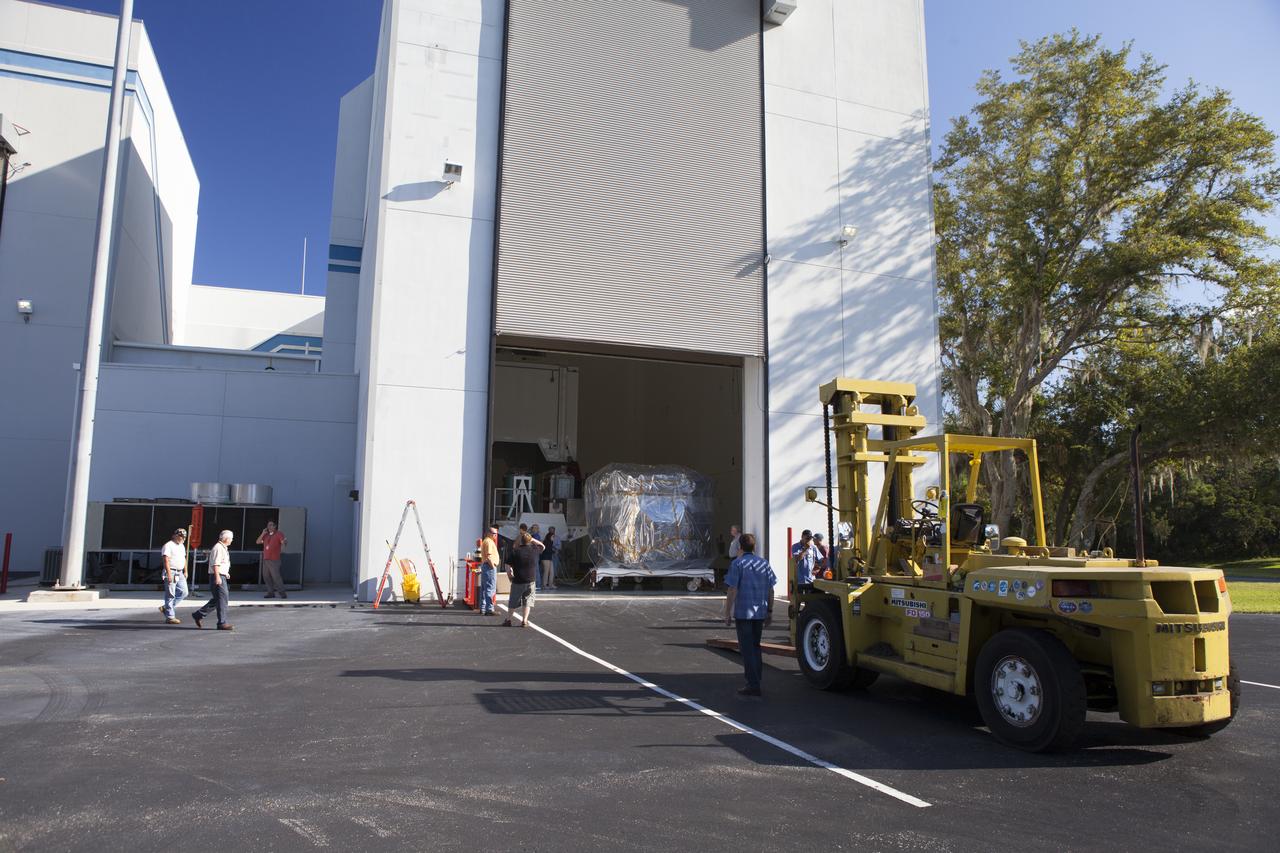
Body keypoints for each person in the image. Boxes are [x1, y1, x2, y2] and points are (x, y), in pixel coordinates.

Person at [723, 533, 775, 697]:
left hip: (743, 612)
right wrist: (770, 611)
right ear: (755, 546)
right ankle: (756, 679)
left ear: (740, 547)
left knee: (746, 649)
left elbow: (732, 589)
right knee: (755, 646)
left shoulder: (737, 564)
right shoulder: (764, 563)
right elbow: (771, 589)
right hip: (759, 612)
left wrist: (727, 612)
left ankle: (753, 684)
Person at [192, 529, 235, 631]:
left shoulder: (223, 548)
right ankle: (222, 623)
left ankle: (199, 614)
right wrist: (218, 576)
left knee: (218, 599)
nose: (232, 540)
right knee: (222, 599)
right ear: (226, 539)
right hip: (218, 576)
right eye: (231, 538)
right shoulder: (218, 548)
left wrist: (225, 573)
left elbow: (222, 564)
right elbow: (215, 564)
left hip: (221, 575)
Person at [503, 530, 544, 628]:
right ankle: (524, 620)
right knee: (528, 600)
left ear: (521, 541)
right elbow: (543, 546)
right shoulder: (534, 550)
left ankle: (508, 620)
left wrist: (510, 576)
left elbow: (507, 566)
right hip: (531, 580)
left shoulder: (515, 551)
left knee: (513, 600)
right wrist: (533, 539)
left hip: (518, 580)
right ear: (530, 541)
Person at [159, 528, 188, 625]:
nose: (183, 539)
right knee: (170, 594)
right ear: (175, 535)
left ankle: (166, 608)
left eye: (184, 537)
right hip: (171, 571)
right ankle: (170, 617)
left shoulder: (182, 546)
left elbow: (184, 559)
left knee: (184, 592)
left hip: (179, 572)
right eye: (181, 536)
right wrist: (168, 573)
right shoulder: (168, 545)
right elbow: (166, 560)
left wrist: (186, 571)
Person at [255, 520, 288, 599]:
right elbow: (258, 542)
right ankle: (270, 593)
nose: (269, 527)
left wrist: (284, 542)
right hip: (266, 559)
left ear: (275, 526)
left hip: (274, 560)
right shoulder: (266, 535)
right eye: (268, 525)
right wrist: (263, 533)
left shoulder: (279, 534)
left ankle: (282, 593)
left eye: (271, 525)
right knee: (266, 576)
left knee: (276, 577)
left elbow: (283, 542)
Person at [478, 524, 501, 615]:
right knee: (490, 588)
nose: (495, 535)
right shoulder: (489, 542)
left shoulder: (486, 541)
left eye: (496, 533)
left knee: (485, 588)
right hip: (489, 566)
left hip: (486, 566)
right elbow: (489, 556)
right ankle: (489, 609)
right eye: (494, 533)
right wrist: (492, 566)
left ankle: (483, 608)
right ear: (489, 533)